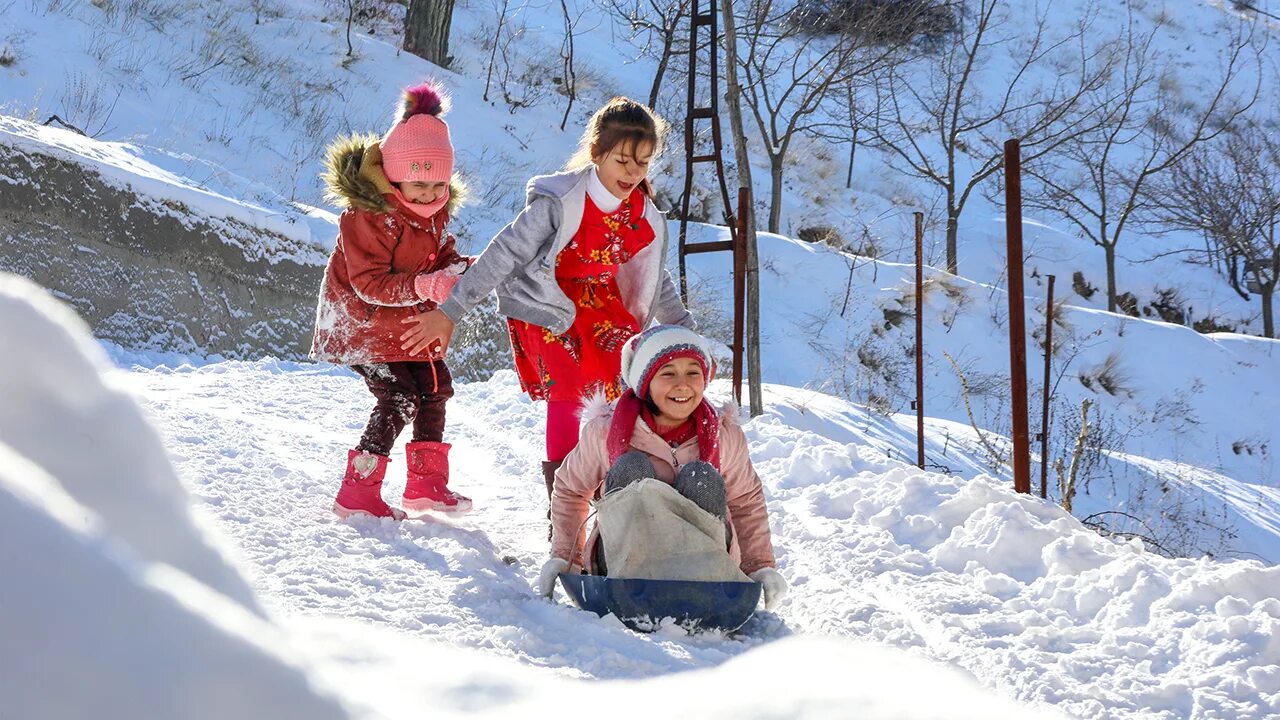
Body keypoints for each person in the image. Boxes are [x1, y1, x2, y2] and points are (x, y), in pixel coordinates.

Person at [399, 97, 695, 523]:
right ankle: (565, 505)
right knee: (571, 392)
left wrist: (686, 332)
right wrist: (452, 309)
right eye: (623, 160)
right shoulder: (560, 204)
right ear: (597, 154)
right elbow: (505, 253)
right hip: (552, 306)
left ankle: (612, 493)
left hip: (605, 312)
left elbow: (654, 277)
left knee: (618, 397)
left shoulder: (642, 214)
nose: (633, 173)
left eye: (644, 163)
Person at [536, 325, 789, 611]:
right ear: (644, 382)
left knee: (702, 477)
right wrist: (566, 557)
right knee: (631, 468)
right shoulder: (606, 432)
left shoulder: (723, 434)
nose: (683, 384)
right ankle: (630, 580)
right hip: (624, 565)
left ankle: (700, 585)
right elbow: (571, 489)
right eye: (668, 373)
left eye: (693, 372)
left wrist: (760, 567)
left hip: (705, 569)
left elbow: (746, 501)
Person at [311, 81, 473, 520]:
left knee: (435, 387)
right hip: (360, 321)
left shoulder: (433, 210)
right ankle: (358, 491)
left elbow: (440, 254)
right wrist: (423, 287)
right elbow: (368, 283)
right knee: (399, 395)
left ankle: (426, 485)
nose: (428, 193)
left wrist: (458, 267)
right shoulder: (368, 216)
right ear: (395, 175)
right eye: (418, 183)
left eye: (438, 183)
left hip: (403, 321)